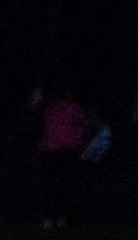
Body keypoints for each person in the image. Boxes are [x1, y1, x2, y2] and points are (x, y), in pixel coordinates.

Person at [33, 86, 94, 230]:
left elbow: (45, 130)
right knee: (65, 185)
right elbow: (84, 126)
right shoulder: (72, 108)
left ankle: (49, 218)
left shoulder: (50, 109)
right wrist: (81, 139)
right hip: (66, 152)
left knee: (52, 185)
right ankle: (60, 218)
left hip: (52, 152)